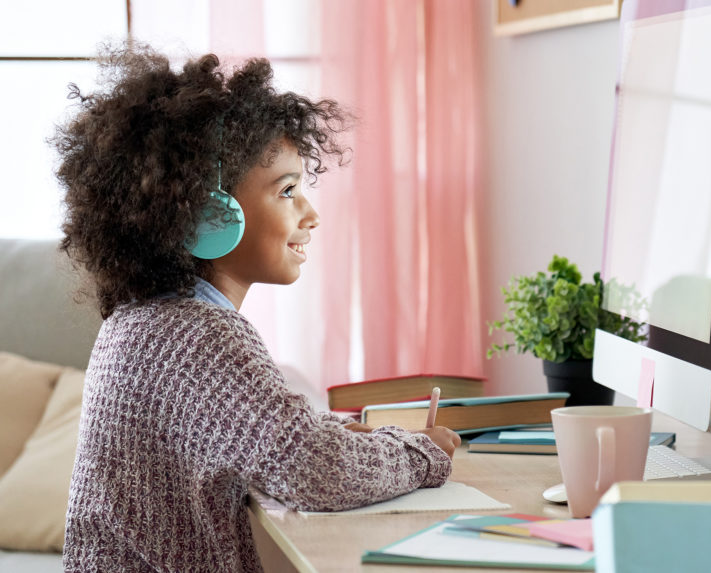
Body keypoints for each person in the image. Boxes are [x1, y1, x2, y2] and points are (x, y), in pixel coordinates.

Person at [53, 44, 461, 572]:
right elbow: (316, 471)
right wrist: (422, 452)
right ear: (209, 215)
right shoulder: (196, 335)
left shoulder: (142, 321)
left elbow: (269, 438)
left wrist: (336, 438)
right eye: (287, 190)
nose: (310, 214)